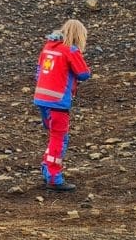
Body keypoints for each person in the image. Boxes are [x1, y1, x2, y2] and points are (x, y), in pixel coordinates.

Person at [33, 19, 92, 191]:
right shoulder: (71, 50)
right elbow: (83, 74)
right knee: (59, 138)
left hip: (42, 98)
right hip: (58, 101)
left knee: (53, 134)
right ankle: (53, 176)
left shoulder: (48, 47)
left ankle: (47, 168)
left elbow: (38, 71)